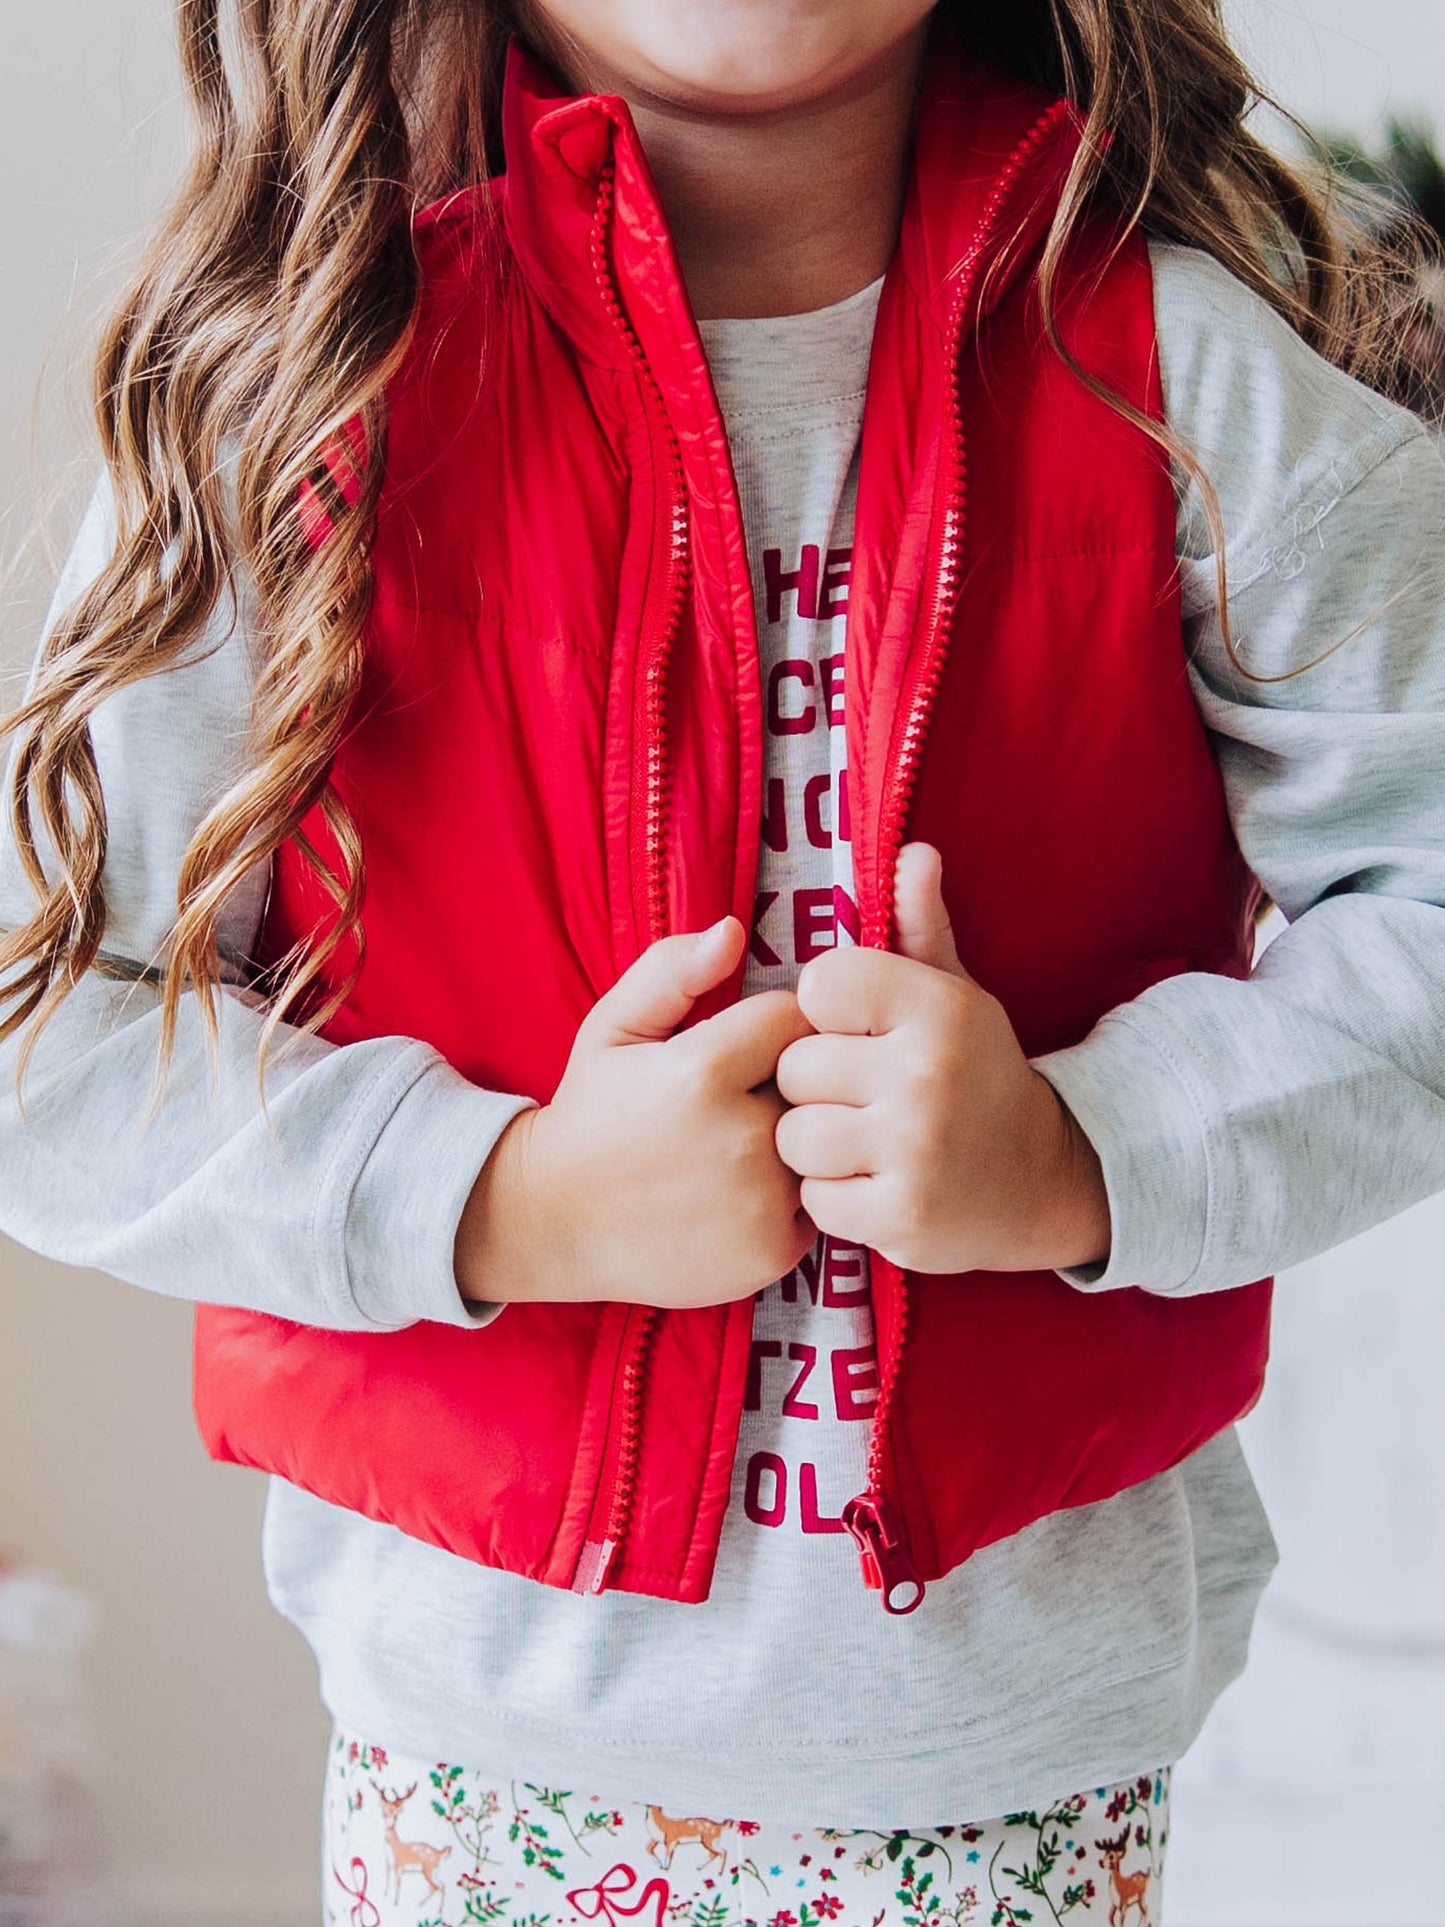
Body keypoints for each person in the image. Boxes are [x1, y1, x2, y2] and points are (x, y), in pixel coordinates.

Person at [4, 1, 1445, 1921]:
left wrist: (1080, 1150)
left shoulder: (1187, 383)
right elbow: (45, 1030)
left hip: (1030, 1754)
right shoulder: (298, 395)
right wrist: (498, 1196)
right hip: (476, 1756)